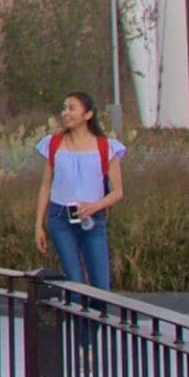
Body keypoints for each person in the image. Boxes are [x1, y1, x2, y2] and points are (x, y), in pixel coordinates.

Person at [39, 91, 121, 290]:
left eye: (72, 108)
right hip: (60, 218)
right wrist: (38, 225)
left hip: (92, 219)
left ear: (88, 114)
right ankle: (81, 322)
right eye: (64, 108)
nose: (66, 113)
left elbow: (118, 191)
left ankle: (96, 322)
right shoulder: (54, 144)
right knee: (75, 285)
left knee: (101, 287)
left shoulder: (105, 147)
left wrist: (95, 206)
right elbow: (45, 185)